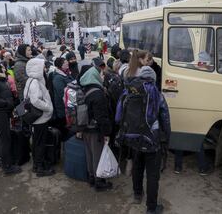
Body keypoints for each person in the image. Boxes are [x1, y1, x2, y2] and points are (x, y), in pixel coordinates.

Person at [116, 66, 171, 214]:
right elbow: (165, 118)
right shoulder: (156, 94)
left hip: (134, 138)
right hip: (152, 139)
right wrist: (166, 137)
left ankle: (137, 194)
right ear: (153, 78)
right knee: (153, 175)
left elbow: (118, 117)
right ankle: (151, 208)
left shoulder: (129, 91)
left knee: (137, 167)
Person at [78, 58, 113, 191]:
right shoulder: (98, 94)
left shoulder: (85, 89)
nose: (103, 76)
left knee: (90, 154)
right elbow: (102, 117)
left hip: (85, 127)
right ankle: (99, 182)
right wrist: (107, 133)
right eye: (101, 74)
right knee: (97, 155)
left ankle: (92, 177)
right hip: (95, 129)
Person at [0, 62, 21, 176]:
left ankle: (7, 163)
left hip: (2, 113)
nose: (4, 68)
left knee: (4, 139)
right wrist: (5, 103)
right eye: (2, 67)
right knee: (5, 140)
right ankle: (7, 167)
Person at [24, 58, 55, 177]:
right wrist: (48, 107)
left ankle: (37, 165)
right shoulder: (35, 82)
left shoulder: (31, 80)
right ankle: (40, 168)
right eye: (42, 66)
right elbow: (35, 100)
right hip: (40, 118)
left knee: (37, 141)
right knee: (40, 142)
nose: (44, 68)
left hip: (36, 118)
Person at [51, 57, 73, 141]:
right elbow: (61, 94)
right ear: (60, 66)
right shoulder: (58, 78)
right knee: (65, 129)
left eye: (67, 61)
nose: (67, 63)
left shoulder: (66, 73)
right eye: (64, 62)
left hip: (68, 105)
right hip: (63, 107)